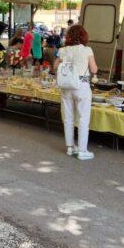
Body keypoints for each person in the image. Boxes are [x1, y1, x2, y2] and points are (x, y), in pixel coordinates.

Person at [54, 25, 98, 160]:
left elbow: (55, 66)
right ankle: (82, 150)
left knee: (68, 118)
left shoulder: (63, 50)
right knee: (83, 119)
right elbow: (94, 69)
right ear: (84, 36)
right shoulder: (87, 50)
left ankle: (70, 147)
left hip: (66, 86)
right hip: (81, 86)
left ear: (69, 37)